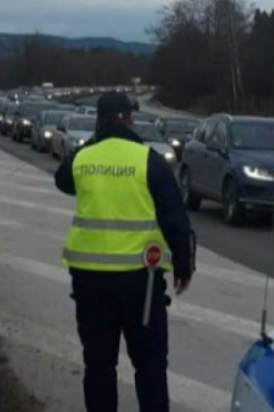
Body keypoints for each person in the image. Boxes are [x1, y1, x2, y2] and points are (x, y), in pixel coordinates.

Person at [54, 92, 193, 412]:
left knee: (99, 366)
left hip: (90, 283)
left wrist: (95, 141)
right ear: (130, 119)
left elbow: (63, 181)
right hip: (140, 283)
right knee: (150, 366)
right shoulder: (149, 161)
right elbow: (175, 220)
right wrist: (183, 268)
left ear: (98, 120)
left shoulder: (83, 158)